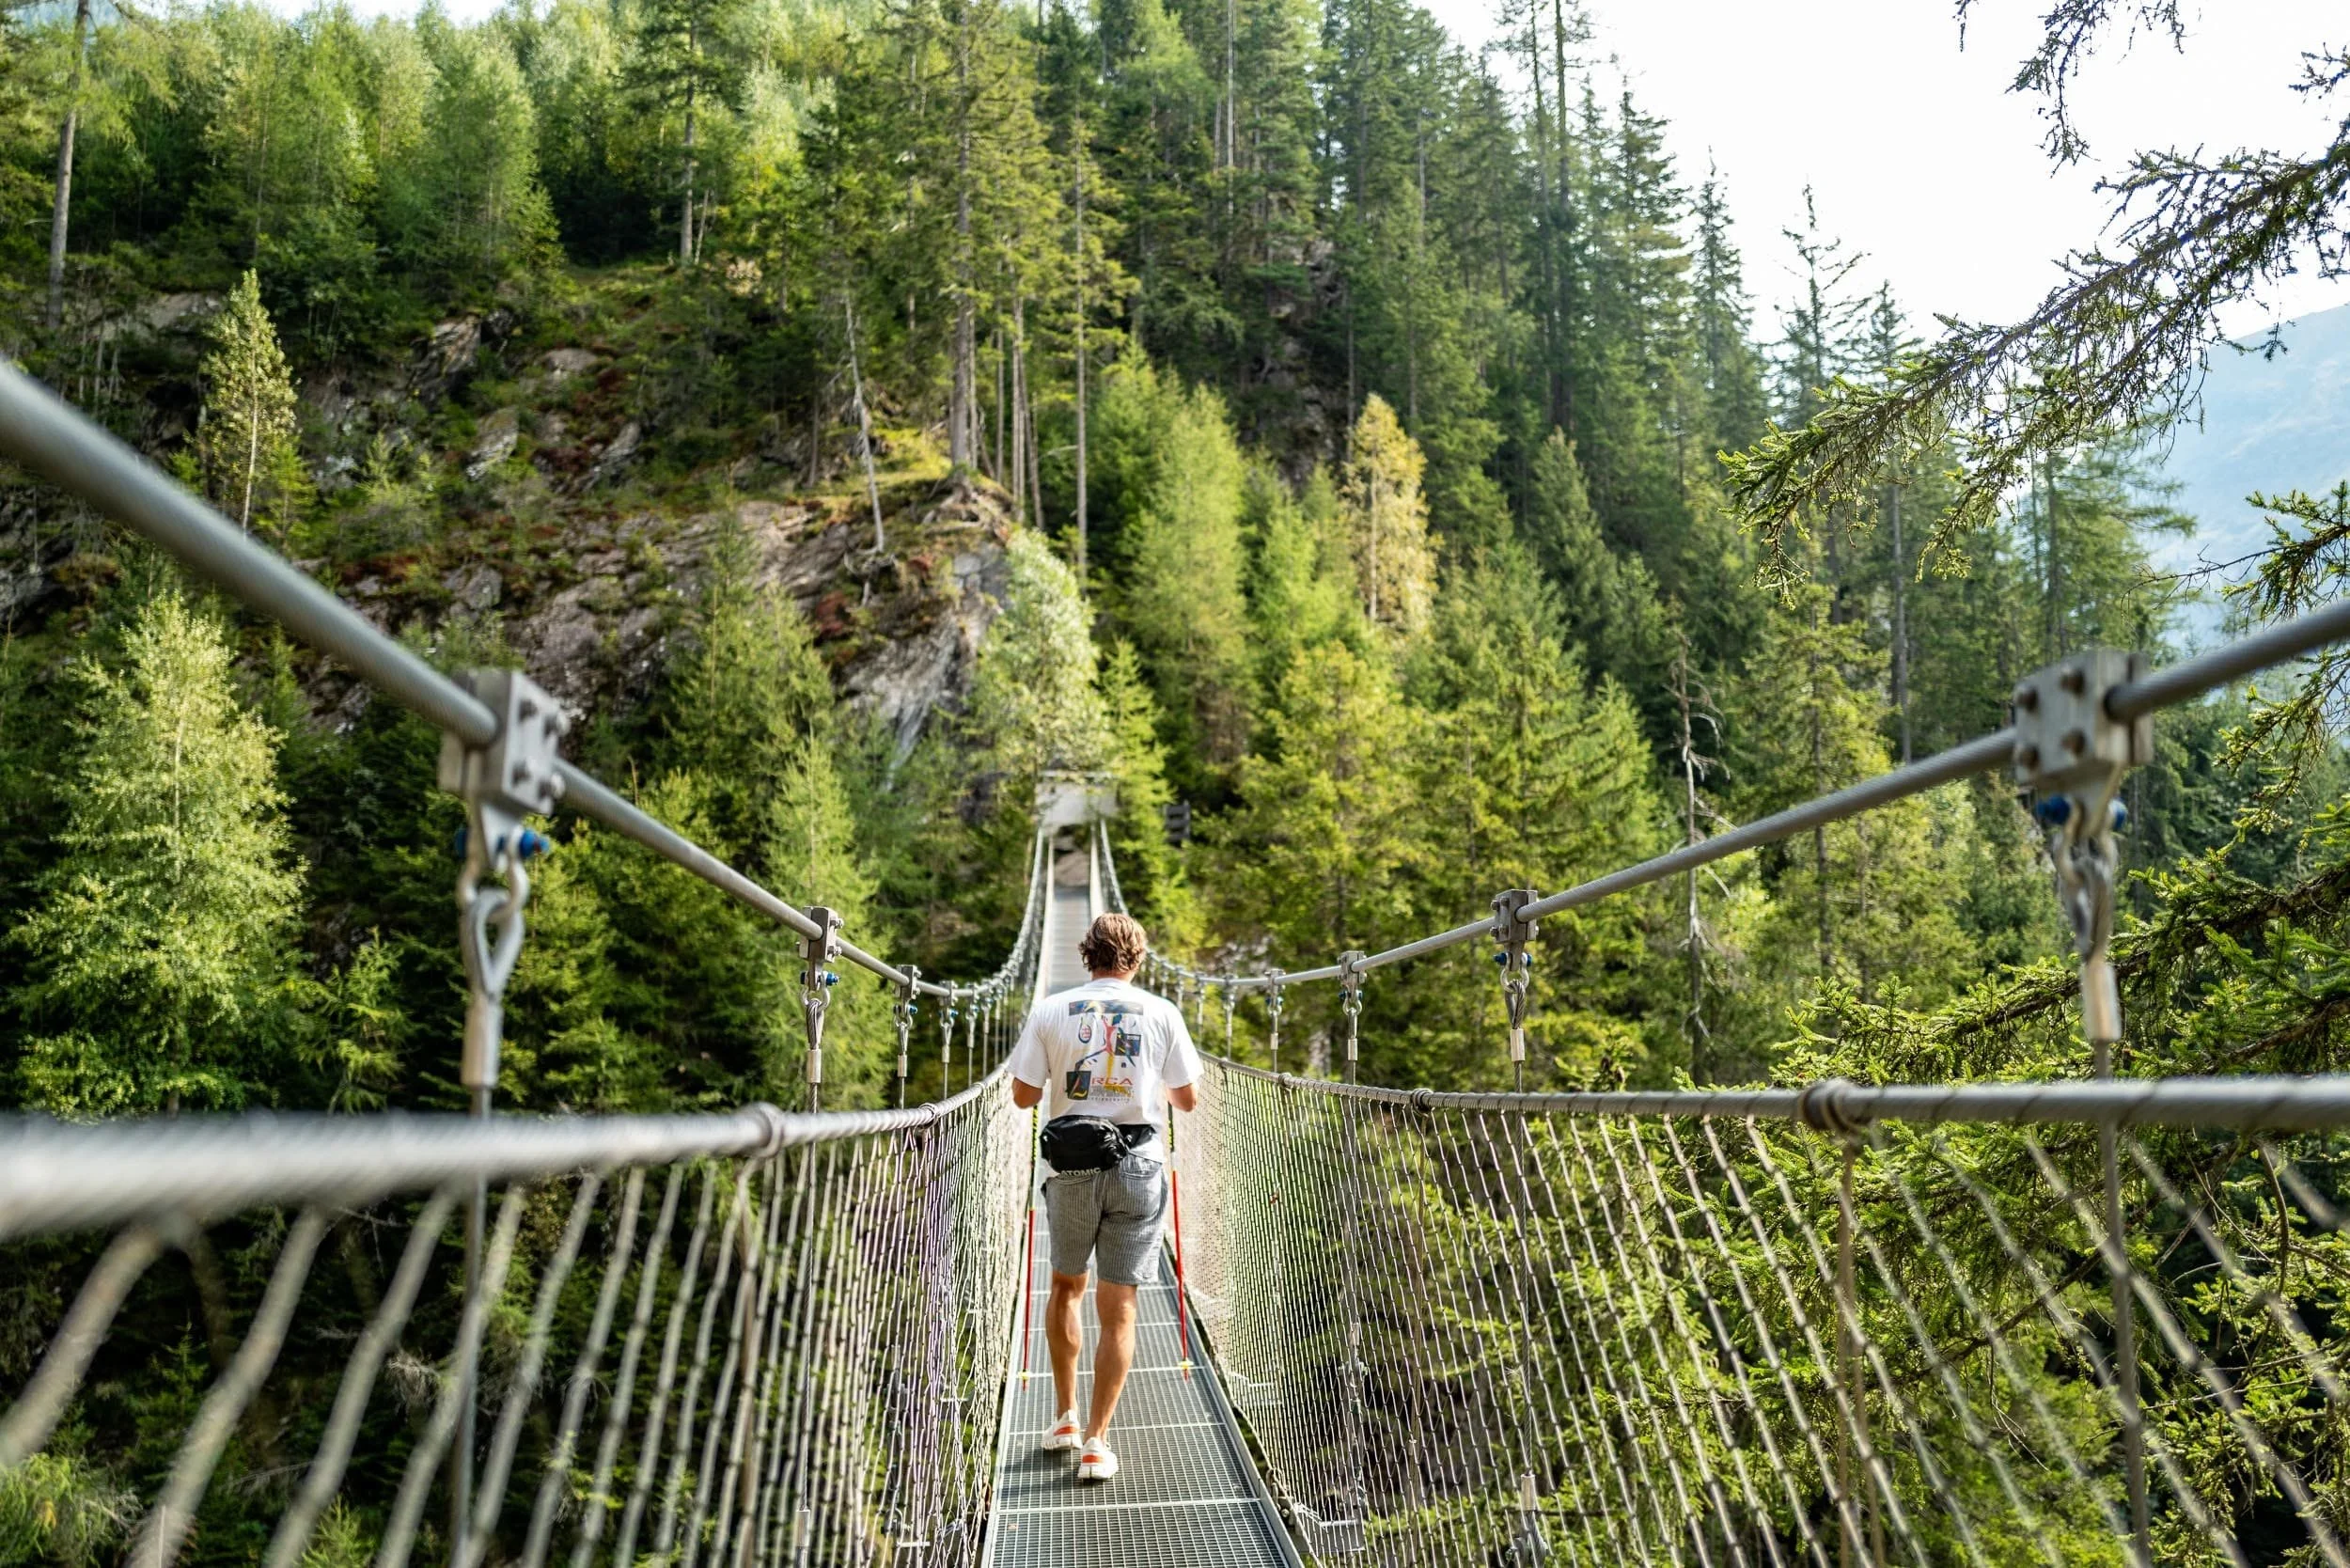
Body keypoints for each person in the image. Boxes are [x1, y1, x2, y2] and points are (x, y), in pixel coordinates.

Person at [1008, 911, 1201, 1483]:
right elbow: (1187, 1100)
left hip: (1071, 1167)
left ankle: (1065, 1418)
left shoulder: (1051, 1010)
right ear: (1138, 958)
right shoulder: (1162, 1012)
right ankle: (1097, 1442)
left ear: (1086, 954)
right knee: (1120, 1308)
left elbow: (1022, 1097)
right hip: (1139, 1166)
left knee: (1066, 1288)